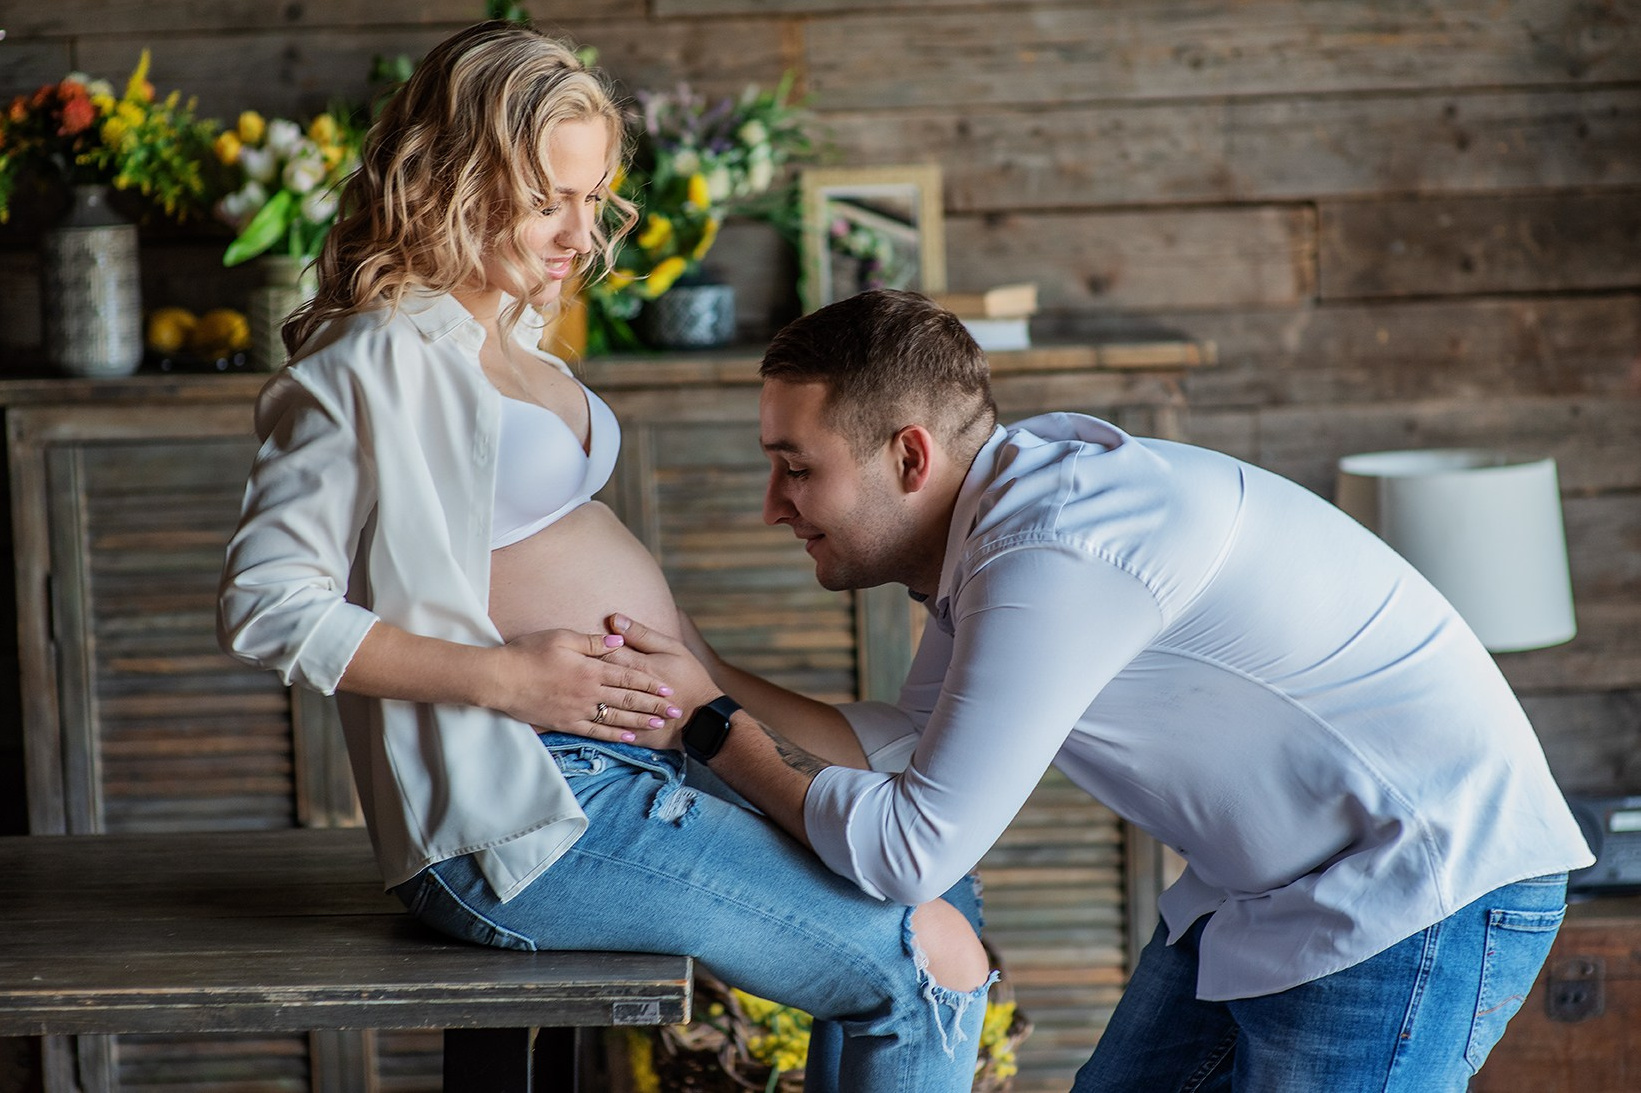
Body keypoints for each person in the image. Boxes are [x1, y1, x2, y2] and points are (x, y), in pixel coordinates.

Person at [215, 24, 994, 1090]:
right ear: (450, 182)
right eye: (550, 202)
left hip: (646, 752)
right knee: (926, 963)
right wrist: (508, 678)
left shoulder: (517, 337)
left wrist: (728, 699)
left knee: (947, 889)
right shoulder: (371, 361)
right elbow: (268, 604)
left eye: (594, 200)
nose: (582, 234)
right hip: (532, 802)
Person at [608, 287, 1595, 1091]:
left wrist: (707, 722)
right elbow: (900, 744)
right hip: (1264, 887)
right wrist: (707, 666)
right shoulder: (1001, 520)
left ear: (909, 456)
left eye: (795, 468)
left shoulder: (1051, 547)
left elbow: (912, 848)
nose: (772, 506)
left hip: (1417, 879)